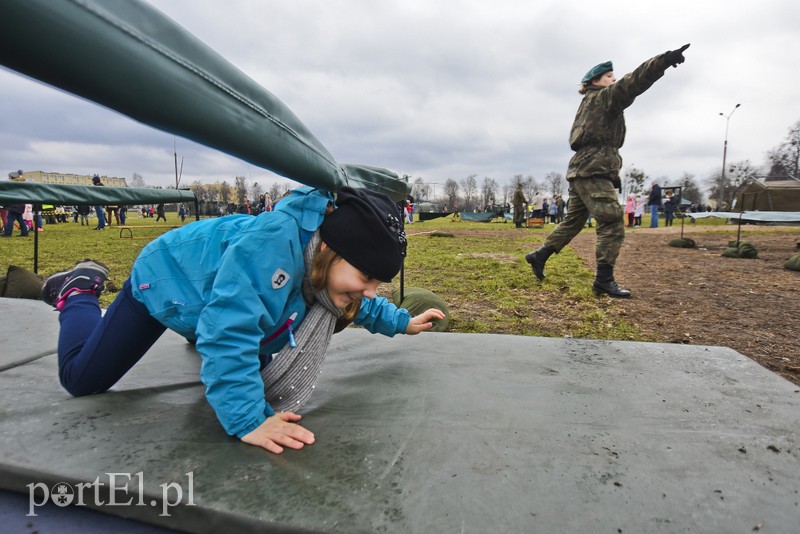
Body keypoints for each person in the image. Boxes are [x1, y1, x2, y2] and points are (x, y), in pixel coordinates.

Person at [40, 187, 445, 455]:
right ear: (333, 251)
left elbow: (355, 301)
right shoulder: (272, 249)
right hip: (167, 281)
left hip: (212, 299)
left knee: (241, 340)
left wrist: (401, 322)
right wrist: (249, 420)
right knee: (81, 379)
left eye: (378, 282)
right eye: (367, 277)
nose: (370, 289)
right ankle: (77, 292)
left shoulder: (325, 266)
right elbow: (227, 332)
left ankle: (201, 333)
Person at [524, 44, 690, 298]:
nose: (614, 80)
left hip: (584, 168)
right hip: (594, 168)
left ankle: (539, 255)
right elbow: (634, 81)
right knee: (612, 220)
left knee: (574, 221)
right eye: (609, 77)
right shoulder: (604, 97)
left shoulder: (589, 102)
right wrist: (663, 61)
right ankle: (603, 280)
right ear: (596, 81)